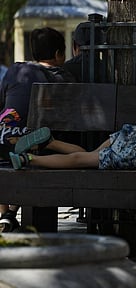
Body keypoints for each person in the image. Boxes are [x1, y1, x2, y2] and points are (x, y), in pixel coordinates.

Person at [0, 27, 76, 232]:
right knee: (43, 149)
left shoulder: (15, 70)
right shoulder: (62, 78)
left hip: (3, 136)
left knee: (8, 150)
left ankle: (6, 212)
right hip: (35, 145)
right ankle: (9, 212)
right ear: (59, 54)